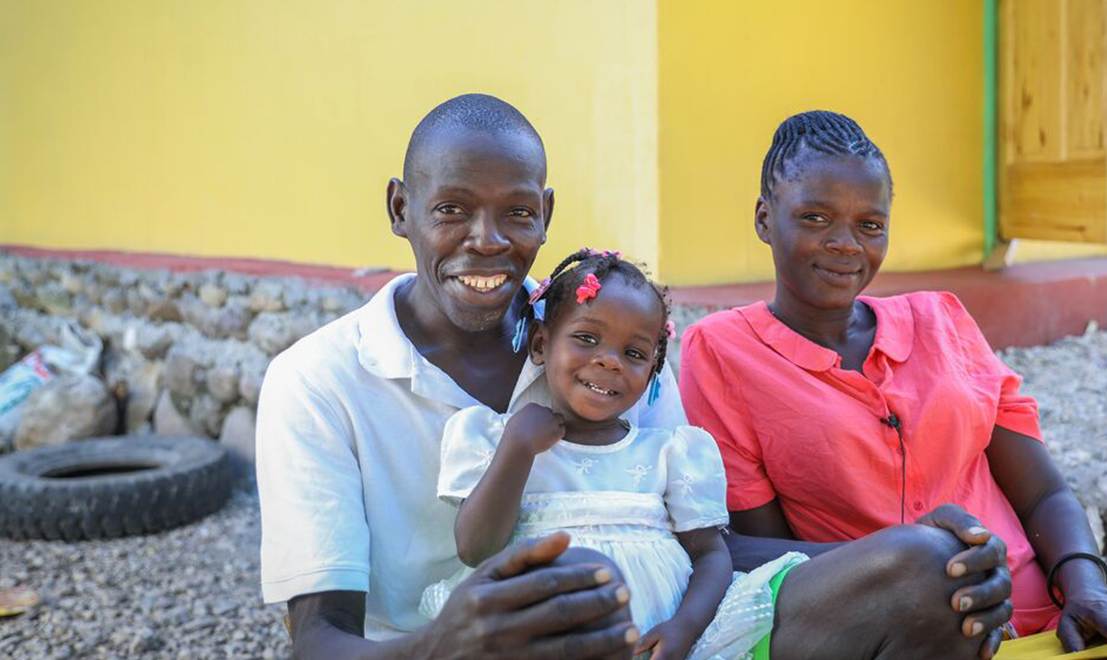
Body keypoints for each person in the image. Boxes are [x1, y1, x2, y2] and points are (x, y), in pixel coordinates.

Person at [257, 94, 1015, 660]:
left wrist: (908, 551)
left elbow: (689, 542)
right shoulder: (318, 384)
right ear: (400, 207)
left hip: (662, 634)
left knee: (930, 578)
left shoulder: (603, 343)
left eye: (516, 214)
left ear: (545, 216)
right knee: (577, 591)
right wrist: (443, 644)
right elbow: (319, 641)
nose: (485, 242)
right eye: (451, 209)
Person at [679, 110, 1107, 659]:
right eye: (815, 217)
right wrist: (914, 566)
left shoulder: (942, 319)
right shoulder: (723, 350)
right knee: (931, 565)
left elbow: (1044, 491)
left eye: (870, 224)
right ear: (765, 219)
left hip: (1041, 625)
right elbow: (761, 559)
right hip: (897, 632)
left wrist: (1087, 590)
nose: (846, 243)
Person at [422, 249, 807, 659]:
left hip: (654, 643)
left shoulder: (668, 453)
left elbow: (711, 554)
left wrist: (685, 627)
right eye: (587, 339)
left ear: (653, 372)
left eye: (634, 354)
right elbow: (476, 549)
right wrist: (517, 449)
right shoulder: (498, 439)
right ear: (540, 344)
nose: (609, 361)